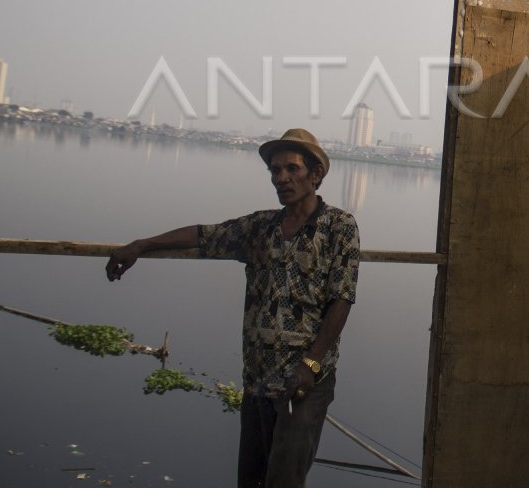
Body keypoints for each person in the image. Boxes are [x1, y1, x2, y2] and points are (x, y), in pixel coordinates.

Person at [105, 128, 360, 488]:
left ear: (316, 174)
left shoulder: (339, 227)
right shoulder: (261, 227)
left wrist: (311, 363)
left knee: (284, 479)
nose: (281, 179)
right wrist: (141, 245)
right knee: (251, 480)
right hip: (258, 379)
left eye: (292, 169)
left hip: (302, 382)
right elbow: (203, 235)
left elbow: (342, 298)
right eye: (275, 171)